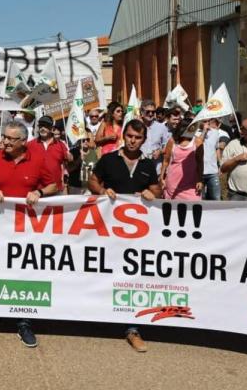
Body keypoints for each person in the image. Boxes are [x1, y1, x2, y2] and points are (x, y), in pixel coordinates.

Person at [0, 120, 59, 348]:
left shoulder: (39, 159)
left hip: (27, 230)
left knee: (23, 273)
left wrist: (39, 191)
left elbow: (54, 185)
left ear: (24, 142)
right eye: (5, 137)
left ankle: (23, 321)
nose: (5, 142)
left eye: (11, 139)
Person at [88, 119, 161, 352]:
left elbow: (157, 188)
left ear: (143, 140)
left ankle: (132, 328)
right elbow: (92, 180)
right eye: (129, 135)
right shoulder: (109, 159)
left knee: (133, 278)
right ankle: (93, 313)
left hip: (136, 236)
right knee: (103, 270)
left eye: (137, 138)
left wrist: (151, 192)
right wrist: (101, 190)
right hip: (107, 231)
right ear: (124, 135)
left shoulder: (148, 164)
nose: (132, 140)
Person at [27, 115, 71, 193]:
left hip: (56, 190)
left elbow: (68, 161)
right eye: (41, 126)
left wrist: (70, 157)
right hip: (36, 191)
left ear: (52, 129)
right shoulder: (30, 145)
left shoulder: (61, 145)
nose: (42, 128)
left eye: (46, 126)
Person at [161, 120, 203, 201]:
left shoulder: (198, 142)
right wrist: (162, 178)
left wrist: (200, 180)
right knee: (173, 211)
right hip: (172, 183)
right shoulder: (172, 141)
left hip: (191, 184)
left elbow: (200, 162)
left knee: (192, 209)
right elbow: (166, 161)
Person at [201, 118, 229, 200]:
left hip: (213, 172)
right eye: (204, 121)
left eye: (209, 121)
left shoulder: (215, 133)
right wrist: (203, 132)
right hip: (199, 172)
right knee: (200, 200)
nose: (207, 123)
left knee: (215, 199)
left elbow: (217, 148)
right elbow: (197, 143)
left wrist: (219, 163)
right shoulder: (195, 134)